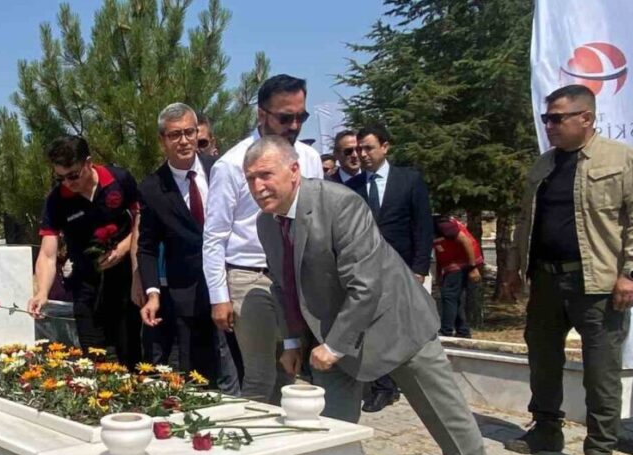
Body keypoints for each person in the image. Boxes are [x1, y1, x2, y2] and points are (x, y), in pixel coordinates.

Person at [246, 135, 520, 455]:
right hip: (335, 339)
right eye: (250, 179)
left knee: (450, 420)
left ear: (293, 171)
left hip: (395, 325)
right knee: (332, 431)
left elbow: (366, 283)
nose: (258, 186)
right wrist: (289, 341)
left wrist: (333, 345)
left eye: (265, 174)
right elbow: (286, 287)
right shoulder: (266, 224)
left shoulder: (339, 204)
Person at [502, 84, 633, 455]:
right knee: (543, 358)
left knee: (601, 371)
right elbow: (526, 222)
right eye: (546, 118)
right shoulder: (543, 165)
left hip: (599, 284)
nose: (549, 125)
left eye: (557, 118)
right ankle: (546, 427)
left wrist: (632, 272)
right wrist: (514, 268)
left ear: (586, 118)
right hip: (546, 280)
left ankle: (599, 451)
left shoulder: (622, 159)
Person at [203, 74, 324, 403]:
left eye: (301, 117)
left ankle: (283, 445)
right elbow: (214, 237)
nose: (295, 125)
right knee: (259, 375)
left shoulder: (309, 159)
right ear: (261, 115)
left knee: (291, 369)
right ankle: (250, 446)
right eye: (286, 117)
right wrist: (219, 296)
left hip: (297, 279)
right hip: (249, 277)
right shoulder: (232, 164)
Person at [28, 136, 142, 367]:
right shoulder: (56, 200)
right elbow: (48, 254)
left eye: (73, 175)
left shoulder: (119, 179)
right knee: (94, 359)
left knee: (130, 357)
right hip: (86, 285)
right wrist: (42, 293)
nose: (68, 183)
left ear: (88, 163)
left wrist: (122, 248)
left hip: (125, 282)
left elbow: (142, 221)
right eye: (60, 177)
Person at [345, 124, 434, 413]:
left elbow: (422, 225)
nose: (363, 154)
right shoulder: (353, 188)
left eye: (368, 148)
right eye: (359, 149)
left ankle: (407, 380)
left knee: (403, 325)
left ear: (385, 146)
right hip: (366, 269)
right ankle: (382, 387)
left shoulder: (408, 181)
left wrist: (420, 267)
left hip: (403, 267)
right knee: (373, 327)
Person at [137, 103, 224, 385]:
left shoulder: (221, 170)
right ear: (163, 140)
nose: (184, 140)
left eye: (189, 132)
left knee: (242, 370)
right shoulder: (152, 188)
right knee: (200, 378)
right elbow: (147, 246)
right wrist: (152, 293)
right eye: (175, 135)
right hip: (188, 295)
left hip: (231, 283)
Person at [433, 215, 483, 338]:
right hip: (452, 265)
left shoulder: (442, 225)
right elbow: (440, 253)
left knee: (448, 295)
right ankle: (463, 330)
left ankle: (446, 330)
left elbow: (464, 240)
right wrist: (439, 274)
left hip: (462, 263)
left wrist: (473, 267)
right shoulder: (432, 228)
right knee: (455, 298)